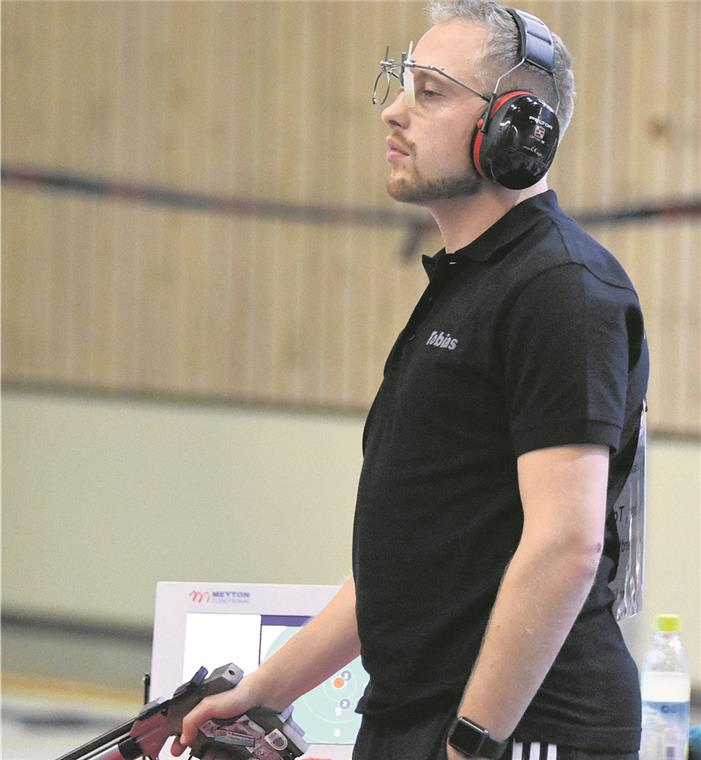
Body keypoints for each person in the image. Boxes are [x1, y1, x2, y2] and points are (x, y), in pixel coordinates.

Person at [172, 2, 649, 758]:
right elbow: (411, 562)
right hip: (423, 719)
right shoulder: (470, 284)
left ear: (515, 129)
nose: (394, 111)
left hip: (517, 729)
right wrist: (265, 689)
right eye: (402, 85)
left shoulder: (562, 289)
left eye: (430, 92)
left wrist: (469, 743)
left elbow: (565, 544)